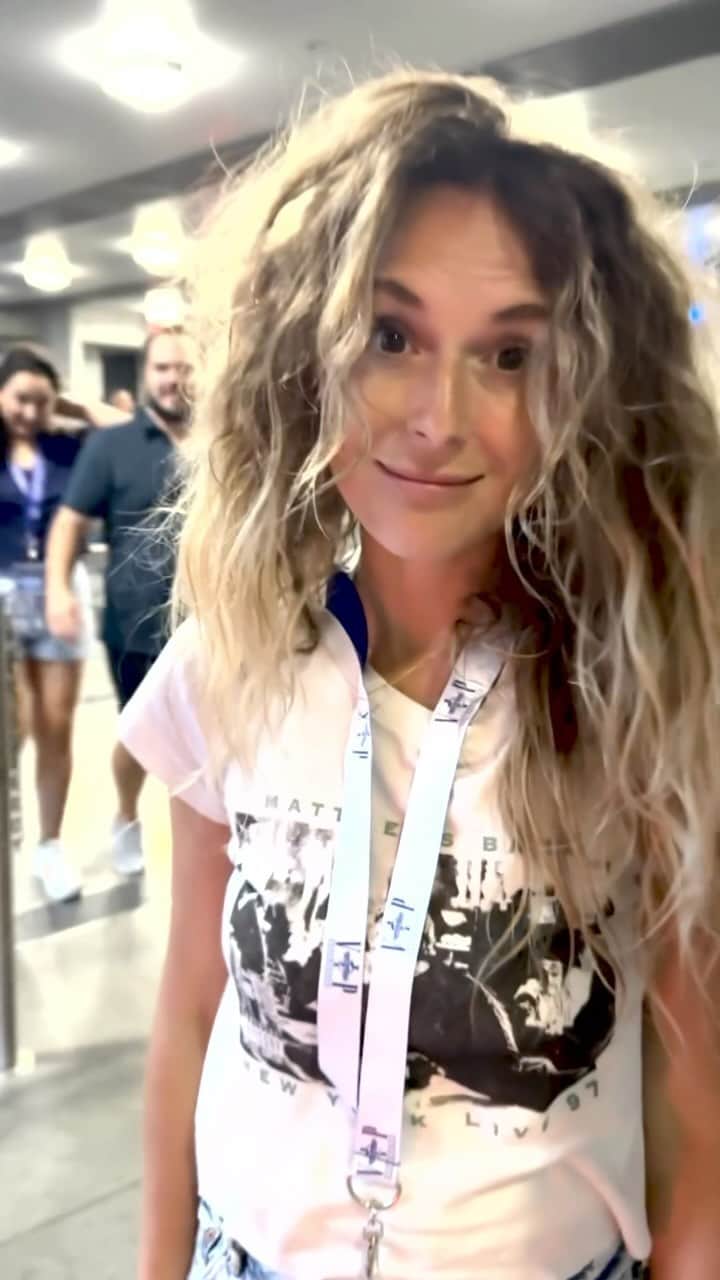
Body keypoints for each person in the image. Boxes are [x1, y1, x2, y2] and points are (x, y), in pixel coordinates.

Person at [119, 71, 720, 1280]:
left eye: (509, 354)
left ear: (583, 387)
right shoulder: (231, 657)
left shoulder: (645, 686)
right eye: (391, 337)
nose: (440, 416)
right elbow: (191, 1004)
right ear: (308, 349)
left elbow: (692, 1083)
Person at [45, 330, 193, 878]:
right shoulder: (112, 446)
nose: (173, 379)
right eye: (162, 369)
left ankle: (204, 838)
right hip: (136, 624)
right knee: (139, 736)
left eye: (183, 368)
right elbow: (69, 522)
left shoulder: (222, 440)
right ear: (146, 376)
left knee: (208, 742)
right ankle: (127, 816)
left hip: (213, 624)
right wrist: (58, 589)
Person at [0, 346, 97, 902]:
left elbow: (124, 425)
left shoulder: (67, 445)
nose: (30, 412)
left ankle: (50, 845)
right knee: (13, 727)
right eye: (20, 399)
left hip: (61, 591)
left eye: (41, 401)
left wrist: (68, 404)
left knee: (55, 726)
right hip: (4, 594)